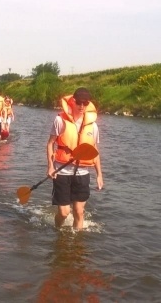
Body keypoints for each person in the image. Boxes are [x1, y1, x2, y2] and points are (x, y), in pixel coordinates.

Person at [46, 87, 104, 230]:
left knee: (79, 211)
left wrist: (99, 175)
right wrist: (50, 166)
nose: (82, 106)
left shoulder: (93, 126)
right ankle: (58, 231)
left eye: (85, 103)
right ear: (73, 101)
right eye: (79, 102)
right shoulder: (60, 120)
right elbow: (50, 144)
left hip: (82, 173)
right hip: (62, 172)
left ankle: (76, 245)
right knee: (64, 213)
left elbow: (94, 151)